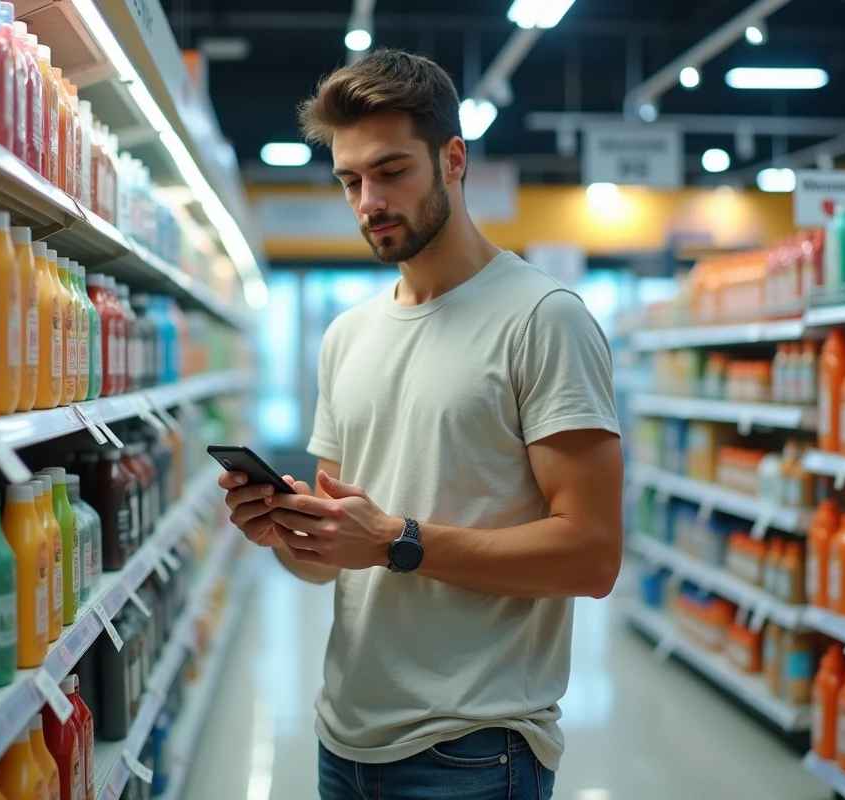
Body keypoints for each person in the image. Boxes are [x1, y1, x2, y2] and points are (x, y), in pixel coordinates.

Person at [218, 48, 623, 800]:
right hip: (343, 738)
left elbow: (593, 557)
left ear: (453, 159)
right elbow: (332, 561)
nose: (368, 199)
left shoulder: (543, 320)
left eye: (392, 171)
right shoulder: (347, 335)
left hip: (473, 752)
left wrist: (396, 540)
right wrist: (286, 531)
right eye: (349, 181)